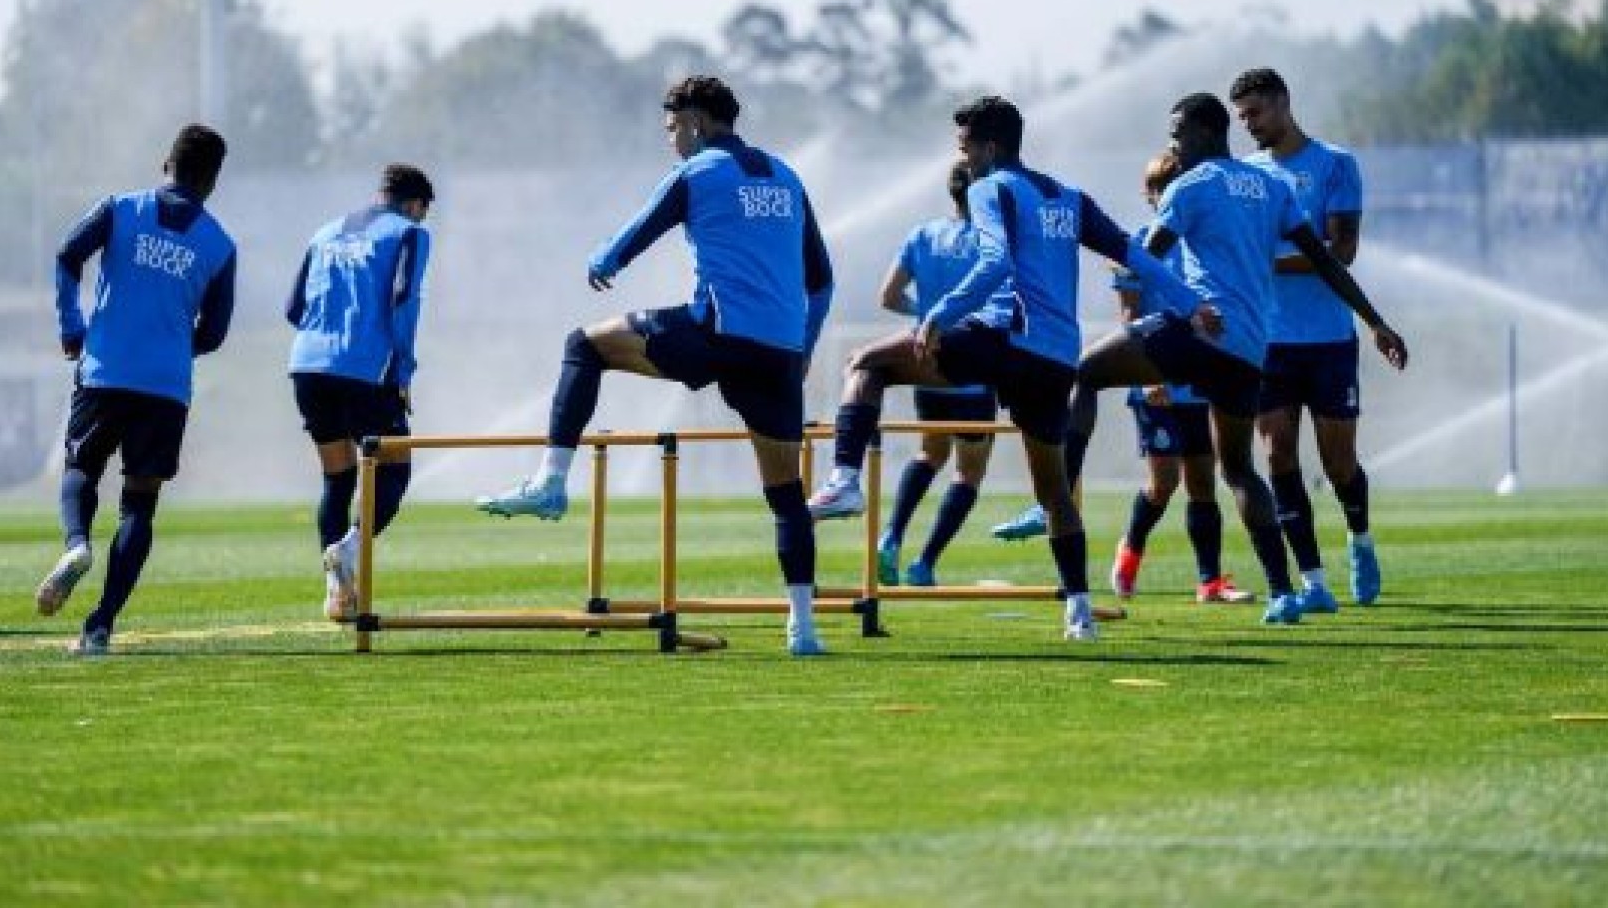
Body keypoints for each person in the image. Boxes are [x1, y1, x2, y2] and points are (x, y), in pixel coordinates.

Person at [806, 95, 1214, 642]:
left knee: (868, 363)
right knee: (1054, 496)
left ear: (989, 147)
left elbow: (994, 260)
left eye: (965, 147)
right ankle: (1080, 612)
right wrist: (1191, 305)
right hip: (1054, 361)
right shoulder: (1069, 197)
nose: (962, 159)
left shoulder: (988, 187)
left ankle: (845, 482)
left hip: (1003, 339)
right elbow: (1134, 256)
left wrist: (939, 313)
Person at [476, 76, 836, 657]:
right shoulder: (788, 177)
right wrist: (803, 352)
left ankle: (549, 482)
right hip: (779, 354)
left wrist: (603, 260)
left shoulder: (699, 172)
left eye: (673, 128)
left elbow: (641, 227)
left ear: (696, 120)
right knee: (787, 495)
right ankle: (803, 630)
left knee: (584, 345)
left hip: (714, 334)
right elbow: (821, 283)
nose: (671, 140)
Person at [1060, 93, 1407, 626]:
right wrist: (1376, 321)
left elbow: (1144, 255)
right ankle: (1283, 594)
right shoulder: (1271, 187)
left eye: (1178, 133)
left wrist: (1119, 272)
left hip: (1200, 333)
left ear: (1204, 131)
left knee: (1087, 369)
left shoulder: (1190, 187)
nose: (1173, 145)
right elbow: (1326, 263)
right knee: (1242, 470)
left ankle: (1054, 500)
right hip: (1250, 349)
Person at [34, 125, 237, 655]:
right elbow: (214, 333)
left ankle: (77, 546)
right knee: (139, 506)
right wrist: (169, 347)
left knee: (80, 471)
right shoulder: (220, 245)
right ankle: (100, 625)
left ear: (165, 162)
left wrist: (70, 328)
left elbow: (65, 255)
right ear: (213, 181)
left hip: (104, 372)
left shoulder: (119, 209)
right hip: (165, 388)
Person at [1233, 67, 1381, 608]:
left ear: (1284, 103)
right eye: (1242, 117)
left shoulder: (1335, 165)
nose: (1249, 125)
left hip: (1327, 339)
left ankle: (1360, 539)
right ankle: (1313, 581)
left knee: (1339, 463)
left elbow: (1340, 252)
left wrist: (1264, 260)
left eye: (1256, 113)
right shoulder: (1244, 177)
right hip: (1267, 342)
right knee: (1277, 457)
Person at [874, 160, 1042, 589]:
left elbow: (888, 296)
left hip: (928, 363)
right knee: (968, 472)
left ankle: (891, 538)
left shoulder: (924, 234)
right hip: (974, 370)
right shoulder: (996, 242)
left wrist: (927, 315)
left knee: (929, 453)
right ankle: (924, 562)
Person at [286, 164, 435, 620]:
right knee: (395, 470)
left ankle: (336, 591)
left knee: (337, 476)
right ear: (414, 204)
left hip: (307, 365)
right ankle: (347, 549)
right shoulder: (408, 233)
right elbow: (404, 299)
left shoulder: (325, 231)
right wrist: (403, 371)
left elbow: (293, 309)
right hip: (364, 370)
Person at [1106, 150, 1252, 605]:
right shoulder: (1142, 247)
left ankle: (1210, 582)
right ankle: (1130, 551)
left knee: (1204, 482)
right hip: (1155, 382)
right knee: (1164, 483)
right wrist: (1151, 377)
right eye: (1159, 189)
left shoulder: (1203, 247)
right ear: (1149, 195)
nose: (1165, 197)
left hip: (1197, 380)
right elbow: (1130, 318)